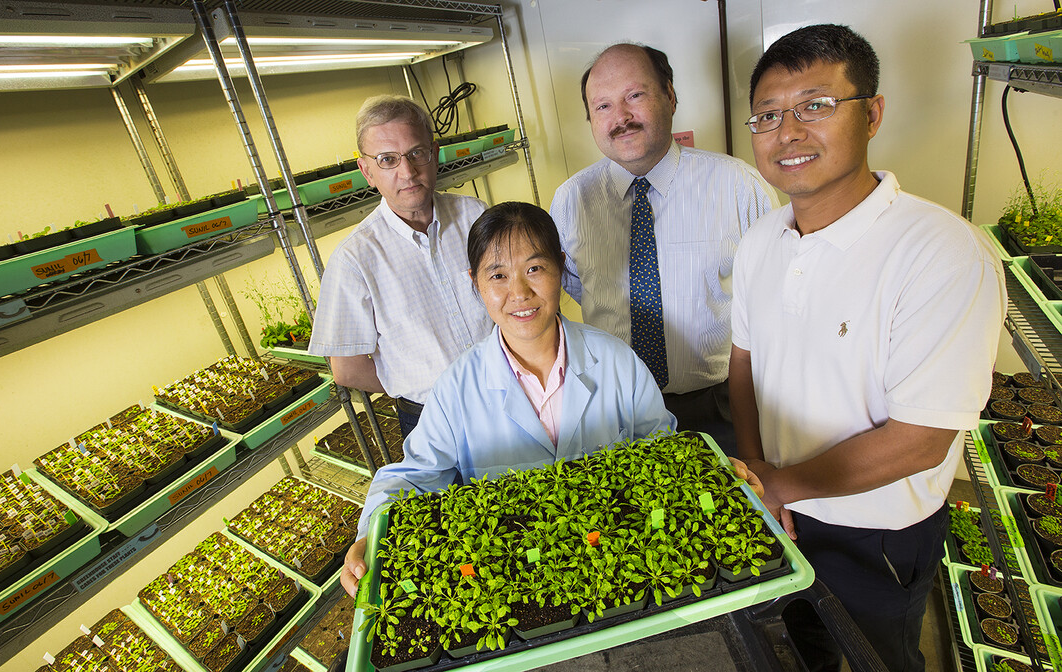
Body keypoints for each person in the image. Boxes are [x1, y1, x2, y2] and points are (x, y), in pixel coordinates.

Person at [730, 24, 1006, 672]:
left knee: (880, 658)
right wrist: (759, 477)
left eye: (815, 105)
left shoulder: (941, 253)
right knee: (799, 648)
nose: (788, 131)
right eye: (768, 115)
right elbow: (743, 366)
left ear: (873, 113)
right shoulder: (759, 242)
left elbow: (921, 438)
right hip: (780, 505)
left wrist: (780, 484)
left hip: (878, 536)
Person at [339, 201, 762, 596]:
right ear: (475, 283)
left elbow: (664, 451)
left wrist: (716, 472)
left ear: (560, 269)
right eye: (498, 275)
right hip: (515, 581)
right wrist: (368, 536)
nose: (519, 292)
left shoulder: (615, 360)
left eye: (535, 268)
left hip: (623, 560)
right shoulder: (456, 388)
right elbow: (413, 477)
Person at [550, 42, 779, 456]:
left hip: (718, 408)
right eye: (602, 106)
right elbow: (580, 288)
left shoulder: (738, 187)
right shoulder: (571, 201)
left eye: (634, 96)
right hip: (614, 410)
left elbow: (774, 298)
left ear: (670, 96)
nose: (620, 118)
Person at [309, 95, 492, 439]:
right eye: (388, 160)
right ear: (367, 171)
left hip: (510, 392)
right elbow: (347, 369)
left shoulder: (475, 216)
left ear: (434, 154)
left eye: (416, 153)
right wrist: (412, 382)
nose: (407, 172)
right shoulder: (355, 260)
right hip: (434, 422)